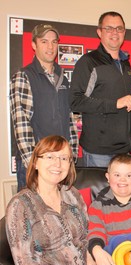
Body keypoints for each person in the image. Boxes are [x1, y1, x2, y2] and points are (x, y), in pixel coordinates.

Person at [5, 135, 101, 265]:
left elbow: (86, 241)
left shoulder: (73, 195)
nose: (57, 164)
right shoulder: (20, 204)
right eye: (50, 156)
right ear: (35, 162)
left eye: (64, 158)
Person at [10, 24, 78, 192]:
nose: (50, 47)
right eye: (44, 41)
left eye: (54, 42)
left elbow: (70, 119)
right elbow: (21, 124)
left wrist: (71, 156)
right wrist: (33, 164)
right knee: (32, 215)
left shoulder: (62, 77)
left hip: (61, 161)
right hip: (37, 163)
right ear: (34, 45)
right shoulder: (23, 76)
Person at [70, 11, 131, 168]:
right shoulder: (88, 62)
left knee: (122, 194)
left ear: (124, 32)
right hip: (99, 153)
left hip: (124, 150)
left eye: (119, 28)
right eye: (109, 28)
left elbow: (130, 101)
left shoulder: (125, 63)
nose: (115, 33)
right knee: (100, 194)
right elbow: (76, 101)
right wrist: (115, 104)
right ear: (99, 32)